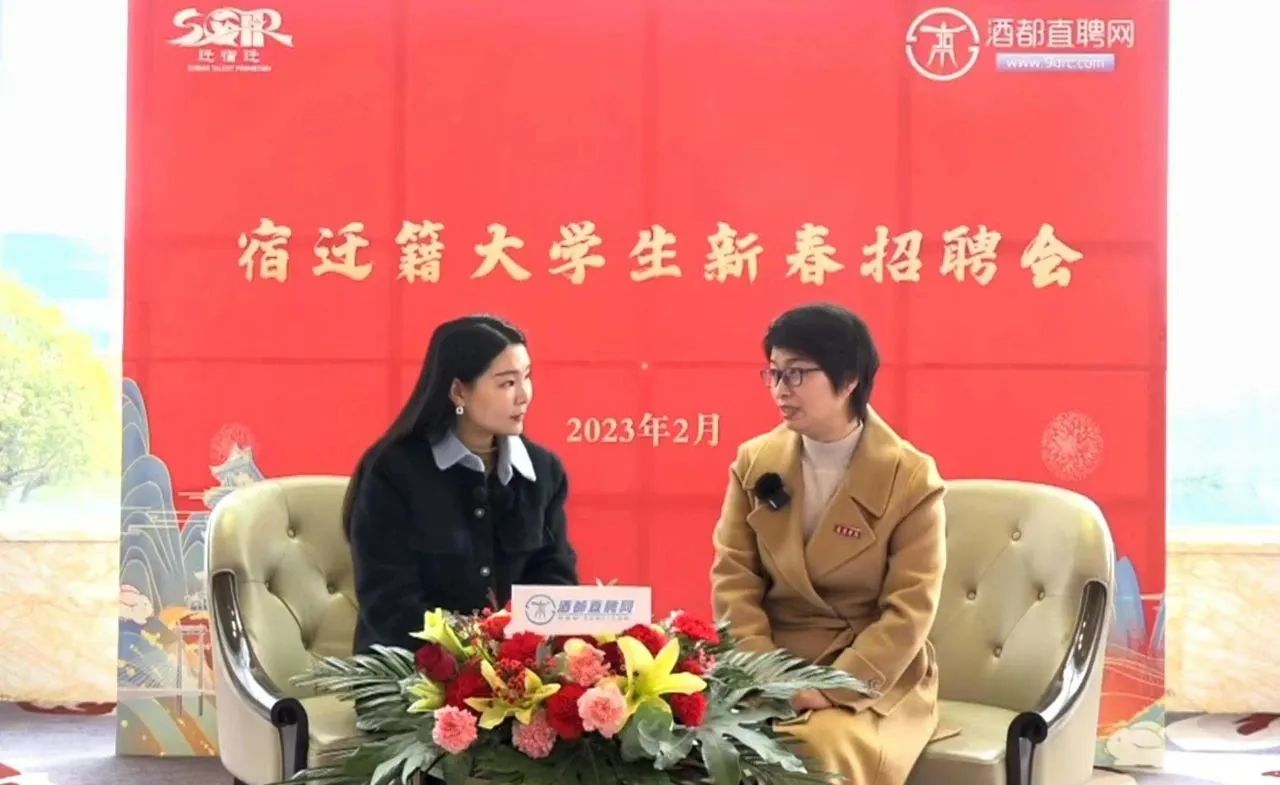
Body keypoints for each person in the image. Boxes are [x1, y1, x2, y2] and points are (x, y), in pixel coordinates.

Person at [710, 303, 949, 785]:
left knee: (812, 751)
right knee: (694, 737)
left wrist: (830, 689)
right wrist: (762, 673)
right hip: (769, 664)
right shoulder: (754, 462)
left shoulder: (910, 477)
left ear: (850, 380)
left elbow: (909, 610)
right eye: (774, 372)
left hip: (865, 675)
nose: (781, 389)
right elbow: (734, 582)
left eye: (797, 373)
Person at [344, 315, 579, 653]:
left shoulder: (544, 471)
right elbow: (389, 602)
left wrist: (522, 653)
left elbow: (555, 579)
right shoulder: (392, 471)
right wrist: (475, 648)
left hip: (514, 669)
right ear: (458, 391)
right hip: (409, 665)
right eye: (506, 383)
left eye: (526, 377)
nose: (524, 396)